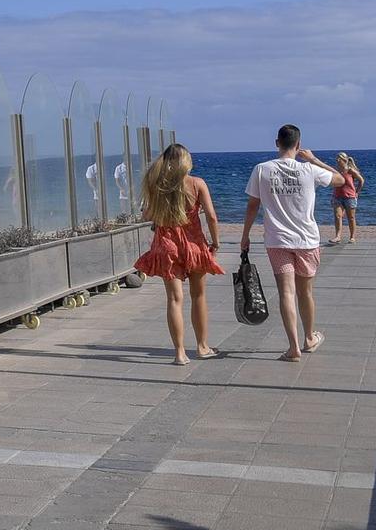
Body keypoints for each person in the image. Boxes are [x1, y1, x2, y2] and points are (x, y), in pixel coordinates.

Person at [241, 124, 340, 361]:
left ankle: (293, 347)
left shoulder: (261, 170)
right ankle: (308, 337)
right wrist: (315, 159)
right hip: (306, 240)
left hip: (277, 241)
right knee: (305, 292)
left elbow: (253, 206)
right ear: (298, 144)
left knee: (286, 292)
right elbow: (340, 180)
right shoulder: (309, 170)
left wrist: (245, 235)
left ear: (277, 143)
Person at [134, 143, 224, 364]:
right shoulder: (197, 184)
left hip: (167, 246)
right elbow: (211, 216)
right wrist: (215, 242)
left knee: (174, 299)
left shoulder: (158, 186)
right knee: (198, 296)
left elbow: (147, 215)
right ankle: (202, 347)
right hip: (193, 245)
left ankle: (180, 353)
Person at [328, 152, 365, 245]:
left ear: (344, 160)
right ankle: (338, 236)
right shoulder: (336, 171)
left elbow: (361, 180)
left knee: (351, 218)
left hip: (350, 197)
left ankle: (352, 237)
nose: (337, 160)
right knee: (337, 216)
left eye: (339, 158)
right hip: (337, 197)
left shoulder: (350, 170)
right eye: (337, 158)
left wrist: (357, 192)